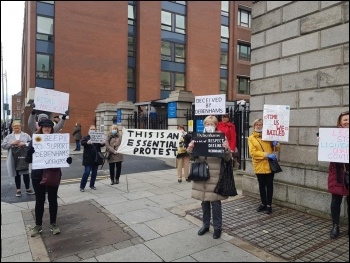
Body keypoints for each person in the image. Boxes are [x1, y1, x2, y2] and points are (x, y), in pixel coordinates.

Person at [187, 115, 232, 239]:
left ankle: (217, 228)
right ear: (204, 125)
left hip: (215, 174)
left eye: (212, 124)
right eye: (207, 124)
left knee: (215, 202)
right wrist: (190, 149)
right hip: (202, 173)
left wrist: (226, 149)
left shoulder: (221, 137)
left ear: (216, 125)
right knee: (204, 202)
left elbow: (228, 159)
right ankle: (205, 225)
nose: (209, 126)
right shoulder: (199, 137)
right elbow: (193, 156)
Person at [25, 119, 72, 237]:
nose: (47, 128)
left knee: (52, 200)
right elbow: (28, 160)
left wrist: (67, 159)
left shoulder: (56, 140)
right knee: (39, 200)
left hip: (53, 174)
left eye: (49, 127)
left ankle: (53, 223)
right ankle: (38, 225)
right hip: (37, 175)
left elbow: (62, 156)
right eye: (44, 126)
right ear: (40, 127)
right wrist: (30, 152)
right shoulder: (35, 140)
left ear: (52, 128)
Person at [248, 118, 280, 215]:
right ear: (254, 126)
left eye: (260, 124)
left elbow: (276, 148)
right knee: (262, 185)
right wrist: (266, 155)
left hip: (269, 165)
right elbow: (252, 152)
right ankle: (263, 203)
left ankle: (269, 205)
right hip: (259, 165)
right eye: (256, 124)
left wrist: (276, 142)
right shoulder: (251, 138)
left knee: (269, 185)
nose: (258, 126)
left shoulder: (268, 136)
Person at [327, 111, 349, 239]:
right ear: (340, 121)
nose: (347, 122)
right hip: (338, 173)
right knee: (336, 200)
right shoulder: (332, 136)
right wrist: (323, 142)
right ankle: (335, 226)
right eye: (345, 119)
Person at [1, 121, 35, 197]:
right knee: (17, 174)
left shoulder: (26, 135)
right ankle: (18, 190)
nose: (16, 128)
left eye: (18, 126)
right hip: (14, 157)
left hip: (24, 157)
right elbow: (3, 145)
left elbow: (32, 143)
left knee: (26, 173)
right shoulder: (9, 136)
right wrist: (11, 143)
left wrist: (24, 144)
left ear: (20, 127)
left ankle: (28, 189)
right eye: (15, 126)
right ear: (12, 127)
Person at [79, 125, 104, 191]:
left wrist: (103, 143)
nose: (92, 131)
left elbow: (100, 145)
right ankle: (82, 186)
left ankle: (92, 185)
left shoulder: (97, 137)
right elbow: (82, 142)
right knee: (87, 172)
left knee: (94, 173)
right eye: (91, 129)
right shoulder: (86, 137)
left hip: (95, 159)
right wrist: (87, 142)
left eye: (94, 129)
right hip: (88, 158)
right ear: (89, 131)